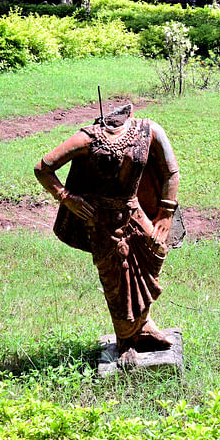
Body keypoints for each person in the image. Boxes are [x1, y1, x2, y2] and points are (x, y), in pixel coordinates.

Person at [34, 103, 181, 361]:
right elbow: (43, 168)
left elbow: (171, 172)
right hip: (102, 222)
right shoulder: (88, 137)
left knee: (156, 251)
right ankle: (126, 340)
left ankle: (143, 326)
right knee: (116, 279)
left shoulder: (149, 131)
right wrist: (67, 197)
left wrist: (166, 212)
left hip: (133, 213)